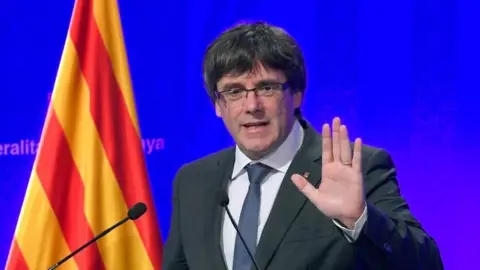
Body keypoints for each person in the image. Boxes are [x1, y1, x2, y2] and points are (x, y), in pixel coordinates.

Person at [162, 21, 444, 270]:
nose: (252, 106)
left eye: (267, 87)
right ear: (218, 105)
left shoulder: (358, 167)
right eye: (234, 91)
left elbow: (426, 264)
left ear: (296, 94)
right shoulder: (193, 181)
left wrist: (359, 220)